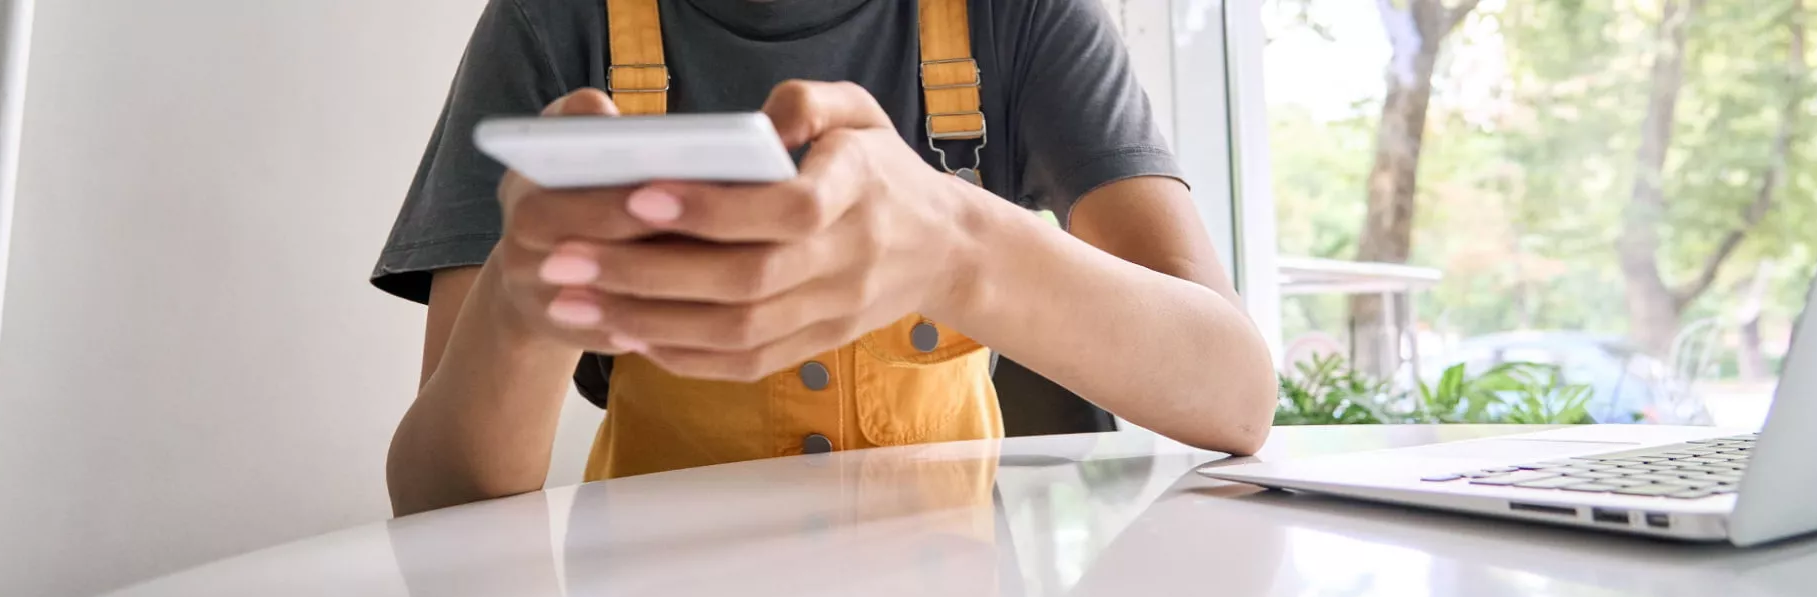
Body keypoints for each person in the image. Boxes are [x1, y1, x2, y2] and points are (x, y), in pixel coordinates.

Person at [373, 0, 1277, 516]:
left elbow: (1233, 394)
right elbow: (439, 498)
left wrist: (959, 246)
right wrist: (523, 311)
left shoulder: (1021, 16)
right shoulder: (553, 23)